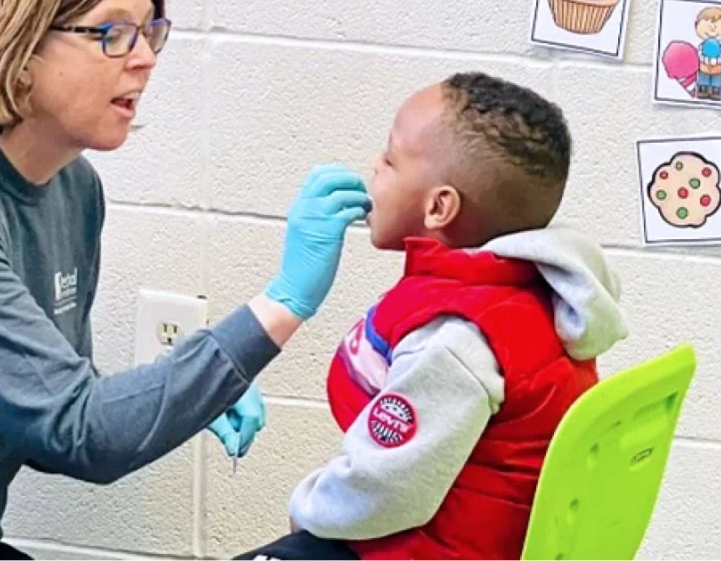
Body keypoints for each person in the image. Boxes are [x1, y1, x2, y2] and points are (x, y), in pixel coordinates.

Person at [0, 0, 372, 560]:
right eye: (112, 33)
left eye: (150, 30)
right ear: (21, 38)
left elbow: (43, 415)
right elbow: (76, 434)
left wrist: (185, 397)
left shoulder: (74, 188)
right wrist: (283, 302)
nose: (146, 57)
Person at [237, 72, 628, 560]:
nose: (374, 168)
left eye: (390, 157)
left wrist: (306, 510)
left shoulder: (457, 338)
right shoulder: (529, 292)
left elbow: (386, 488)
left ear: (439, 207)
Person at [695, 6, 721, 102]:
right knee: (703, 80)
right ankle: (702, 90)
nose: (712, 28)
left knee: (716, 81)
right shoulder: (702, 45)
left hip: (717, 69)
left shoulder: (720, 47)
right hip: (704, 67)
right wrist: (704, 59)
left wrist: (716, 60)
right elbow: (699, 53)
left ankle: (716, 91)